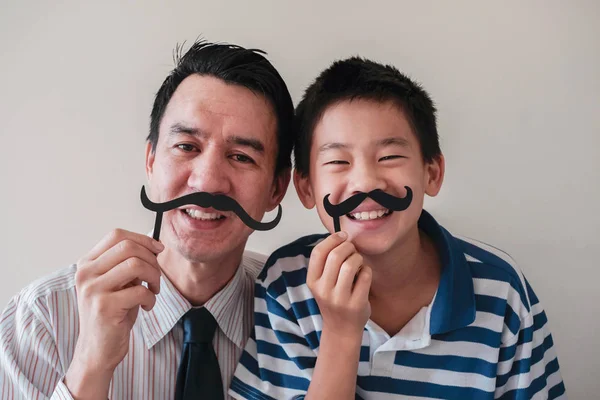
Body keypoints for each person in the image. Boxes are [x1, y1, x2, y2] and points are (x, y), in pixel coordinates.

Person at [230, 57, 566, 399]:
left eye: (389, 157)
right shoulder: (286, 285)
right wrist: (341, 333)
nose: (364, 182)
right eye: (338, 162)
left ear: (431, 173)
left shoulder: (502, 292)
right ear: (305, 188)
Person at [0, 39, 294, 400]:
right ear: (151, 160)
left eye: (241, 157)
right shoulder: (42, 320)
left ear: (277, 189)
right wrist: (90, 364)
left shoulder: (302, 314)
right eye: (186, 147)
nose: (207, 181)